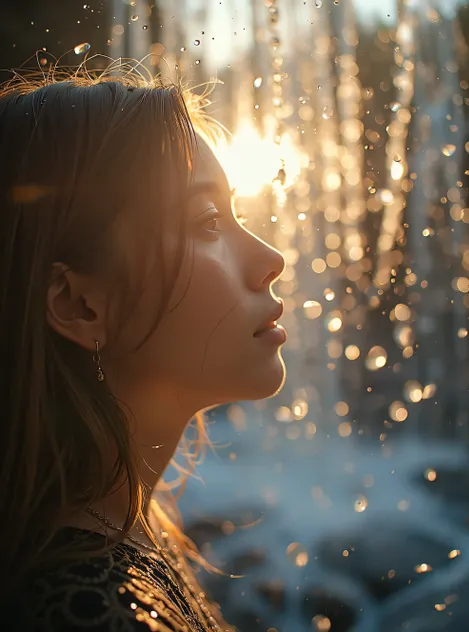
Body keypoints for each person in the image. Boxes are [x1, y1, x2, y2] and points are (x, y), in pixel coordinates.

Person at [0, 59, 287, 631]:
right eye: (208, 222)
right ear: (79, 305)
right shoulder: (91, 610)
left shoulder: (125, 532)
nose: (270, 260)